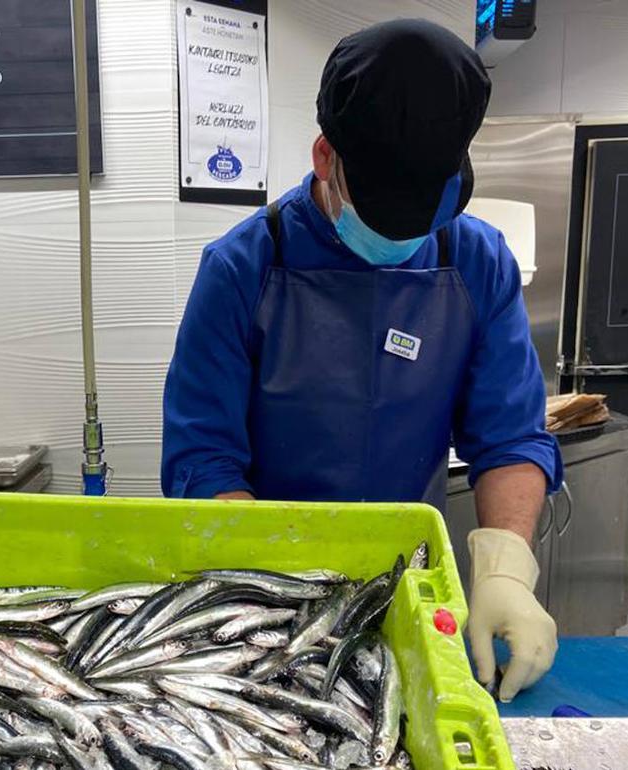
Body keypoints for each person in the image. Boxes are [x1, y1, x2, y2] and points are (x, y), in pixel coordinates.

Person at [161, 19, 562, 701]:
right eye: (385, 216)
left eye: (423, 216)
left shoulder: (477, 260)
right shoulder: (241, 269)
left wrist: (503, 567)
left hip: (406, 582)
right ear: (325, 157)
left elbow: (510, 438)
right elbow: (202, 459)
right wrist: (274, 592)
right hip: (261, 590)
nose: (404, 237)